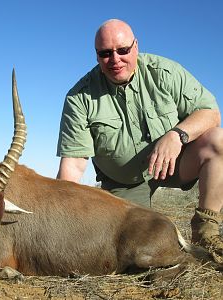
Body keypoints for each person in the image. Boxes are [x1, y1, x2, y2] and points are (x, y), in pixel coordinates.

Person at [56, 19, 223, 262]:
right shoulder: (79, 97)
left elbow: (210, 113)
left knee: (217, 140)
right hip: (124, 184)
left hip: (174, 164)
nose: (115, 60)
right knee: (128, 250)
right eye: (105, 54)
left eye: (122, 50)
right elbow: (73, 164)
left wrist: (177, 135)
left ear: (136, 46)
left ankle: (206, 232)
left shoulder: (165, 72)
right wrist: (61, 213)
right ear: (96, 55)